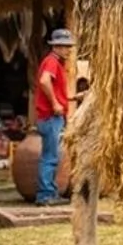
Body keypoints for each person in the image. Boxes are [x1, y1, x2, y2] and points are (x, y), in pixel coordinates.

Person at [33, 29, 76, 206]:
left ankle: (49, 191)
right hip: (50, 117)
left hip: (51, 116)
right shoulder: (51, 62)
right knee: (50, 157)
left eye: (69, 47)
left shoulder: (54, 63)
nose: (68, 50)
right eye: (65, 47)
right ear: (56, 47)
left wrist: (70, 99)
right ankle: (45, 195)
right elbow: (44, 81)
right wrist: (55, 104)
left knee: (50, 155)